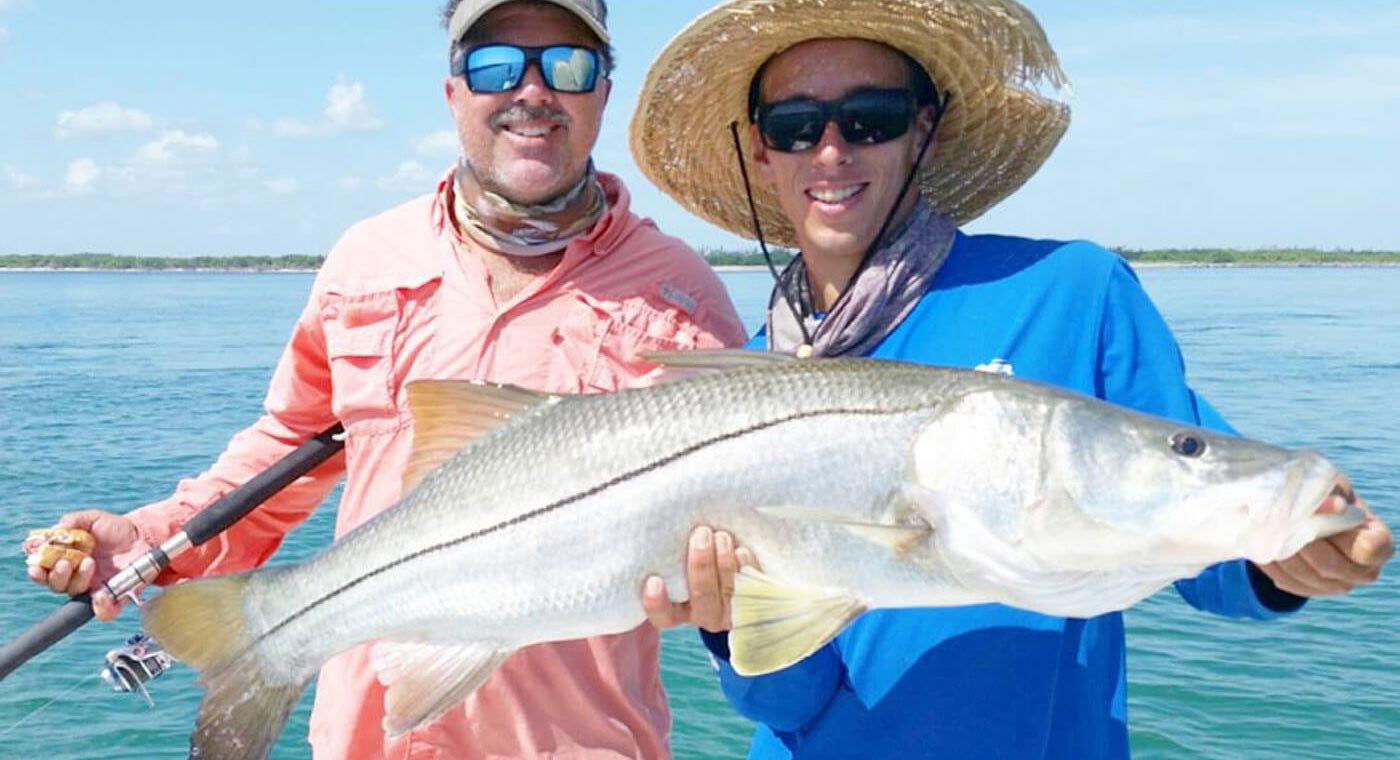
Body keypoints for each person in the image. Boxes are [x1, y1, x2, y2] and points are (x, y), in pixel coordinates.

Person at [630, 0, 1394, 757]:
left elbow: (1206, 549)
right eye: (796, 125)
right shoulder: (739, 382)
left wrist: (1284, 562)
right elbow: (789, 705)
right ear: (762, 152)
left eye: (871, 116)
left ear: (925, 128)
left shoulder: (1070, 290)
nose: (831, 151)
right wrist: (731, 629)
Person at [25, 1, 746, 757]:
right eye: (495, 65)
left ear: (602, 93)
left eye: (568, 66)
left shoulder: (681, 293)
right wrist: (148, 540)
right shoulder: (368, 258)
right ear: (453, 93)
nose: (532, 91)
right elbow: (283, 452)